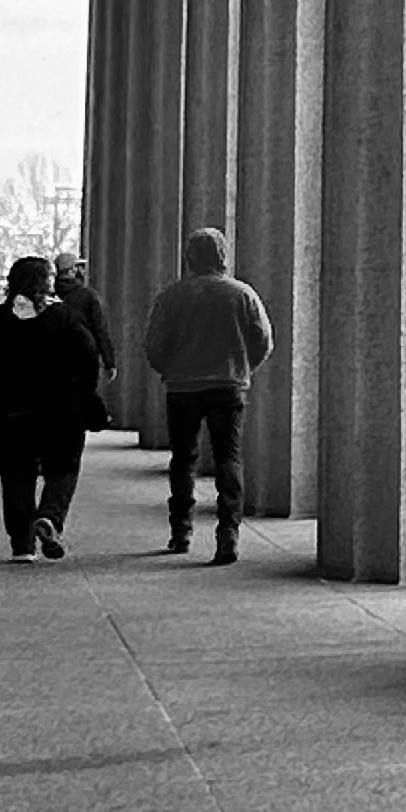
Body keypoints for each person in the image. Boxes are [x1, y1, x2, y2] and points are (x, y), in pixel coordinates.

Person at [142, 224, 276, 565]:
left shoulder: (171, 297)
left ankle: (181, 530)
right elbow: (262, 341)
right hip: (227, 385)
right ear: (223, 256)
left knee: (183, 458)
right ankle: (228, 533)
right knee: (228, 458)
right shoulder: (241, 294)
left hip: (183, 388)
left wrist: (171, 370)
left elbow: (155, 347)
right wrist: (241, 368)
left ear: (189, 258)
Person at [0, 256, 101, 561]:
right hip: (60, 411)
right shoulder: (64, 318)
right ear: (47, 283)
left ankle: (22, 545)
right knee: (64, 468)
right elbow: (88, 356)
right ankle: (50, 517)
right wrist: (85, 394)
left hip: (7, 414)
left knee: (16, 474)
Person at [52, 253, 117, 408]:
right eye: (79, 266)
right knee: (81, 403)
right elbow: (100, 330)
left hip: (52, 358)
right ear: (72, 270)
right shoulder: (88, 297)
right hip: (83, 358)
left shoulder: (47, 295)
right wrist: (109, 363)